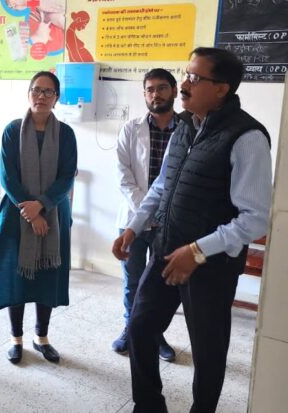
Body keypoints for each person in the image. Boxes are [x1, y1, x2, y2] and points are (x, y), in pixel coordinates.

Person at [112, 47, 272, 412]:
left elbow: (255, 217)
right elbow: (161, 187)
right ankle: (148, 405)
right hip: (166, 249)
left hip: (210, 265)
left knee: (207, 352)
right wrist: (134, 228)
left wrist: (197, 252)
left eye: (195, 78)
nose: (183, 85)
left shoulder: (247, 137)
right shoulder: (184, 126)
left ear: (222, 89)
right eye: (186, 74)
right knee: (140, 327)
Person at [0, 71, 77, 364]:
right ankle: (15, 339)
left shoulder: (66, 134)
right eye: (36, 90)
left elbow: (67, 177)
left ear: (56, 98)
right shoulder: (12, 130)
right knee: (17, 277)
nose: (41, 96)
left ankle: (42, 337)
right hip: (17, 214)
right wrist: (29, 211)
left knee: (47, 276)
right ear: (28, 93)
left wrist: (41, 206)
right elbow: (7, 177)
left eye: (48, 92)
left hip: (54, 214)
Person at [113, 68, 178, 362]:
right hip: (133, 219)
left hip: (170, 221)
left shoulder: (187, 129)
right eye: (150, 89)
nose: (156, 94)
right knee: (133, 280)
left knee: (161, 284)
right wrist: (145, 210)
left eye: (162, 88)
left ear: (174, 91)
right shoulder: (131, 128)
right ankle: (131, 330)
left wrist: (159, 212)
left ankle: (154, 334)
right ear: (144, 94)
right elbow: (123, 175)